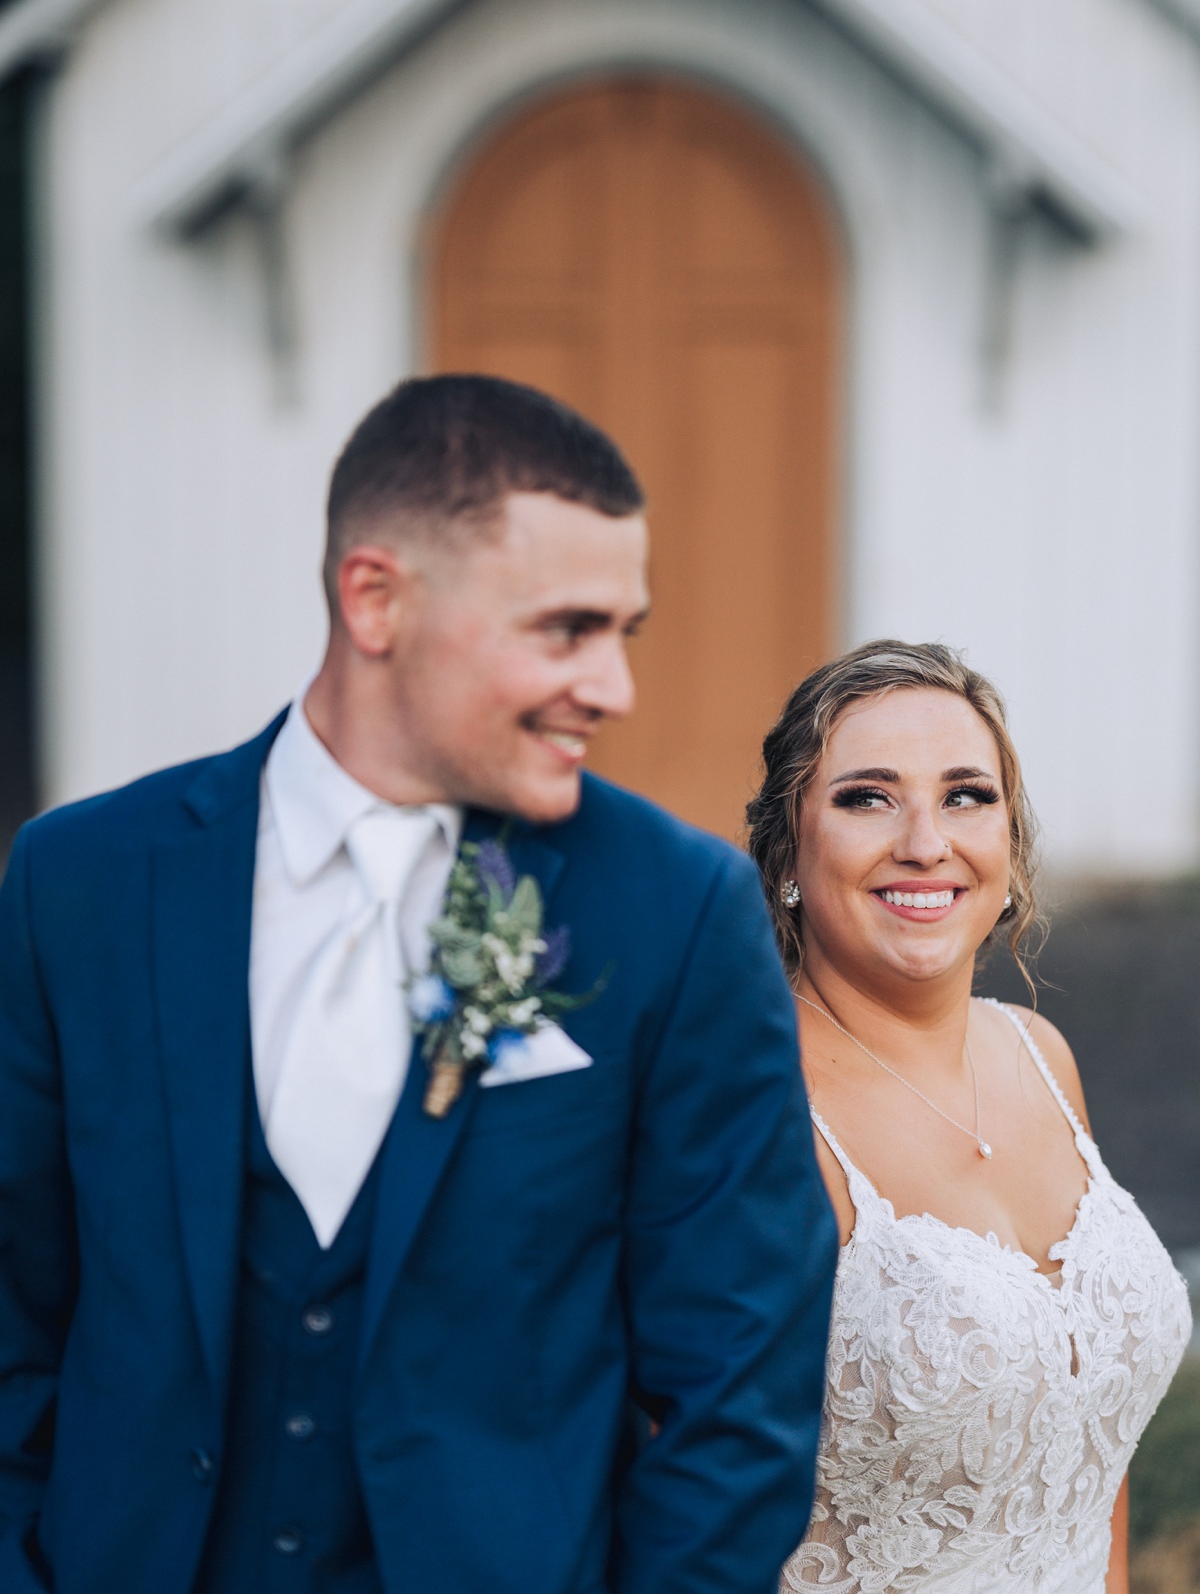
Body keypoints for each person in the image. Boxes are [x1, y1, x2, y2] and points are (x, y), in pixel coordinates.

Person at [0, 374, 837, 1594]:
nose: (613, 687)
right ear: (376, 598)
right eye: (565, 629)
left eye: (624, 632)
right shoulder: (78, 882)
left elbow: (744, 1386)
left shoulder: (673, 910)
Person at [745, 641, 1191, 1594]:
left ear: (1010, 841)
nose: (924, 841)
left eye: (966, 795)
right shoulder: (753, 1107)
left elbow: (1090, 1448)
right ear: (787, 849)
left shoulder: (1039, 1054)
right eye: (867, 797)